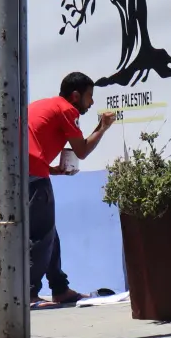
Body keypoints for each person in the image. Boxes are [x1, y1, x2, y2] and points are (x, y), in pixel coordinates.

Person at [27, 72, 117, 306]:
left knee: (49, 233)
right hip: (34, 176)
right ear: (75, 96)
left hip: (19, 173)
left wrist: (51, 168)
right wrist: (103, 127)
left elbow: (29, 138)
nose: (92, 102)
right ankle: (28, 293)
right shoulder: (68, 110)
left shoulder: (44, 105)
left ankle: (60, 288)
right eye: (89, 96)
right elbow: (82, 151)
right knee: (40, 237)